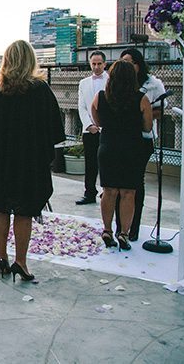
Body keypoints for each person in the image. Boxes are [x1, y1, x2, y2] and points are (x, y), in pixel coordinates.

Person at [0, 40, 64, 282]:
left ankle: (2, 258)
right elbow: (55, 131)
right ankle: (21, 262)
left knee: (0, 209)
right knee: (24, 212)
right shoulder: (40, 90)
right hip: (29, 163)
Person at [92, 60, 153, 251]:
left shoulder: (100, 96)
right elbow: (148, 126)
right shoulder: (141, 98)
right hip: (132, 148)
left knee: (108, 191)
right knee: (128, 193)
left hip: (108, 147)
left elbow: (97, 120)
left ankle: (107, 230)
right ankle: (124, 234)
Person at [115, 47, 167, 241]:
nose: (126, 66)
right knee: (117, 184)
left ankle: (133, 227)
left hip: (142, 139)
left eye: (129, 62)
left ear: (138, 64)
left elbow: (160, 110)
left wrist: (140, 115)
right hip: (120, 139)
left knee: (135, 183)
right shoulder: (117, 83)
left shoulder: (153, 84)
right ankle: (119, 226)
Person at [75, 51, 108, 205]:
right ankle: (89, 193)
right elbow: (81, 107)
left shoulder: (111, 80)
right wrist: (89, 125)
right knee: (90, 163)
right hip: (89, 130)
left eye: (99, 64)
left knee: (107, 163)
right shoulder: (83, 83)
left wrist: (102, 125)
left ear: (105, 64)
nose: (96, 67)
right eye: (93, 64)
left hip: (107, 129)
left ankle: (106, 193)